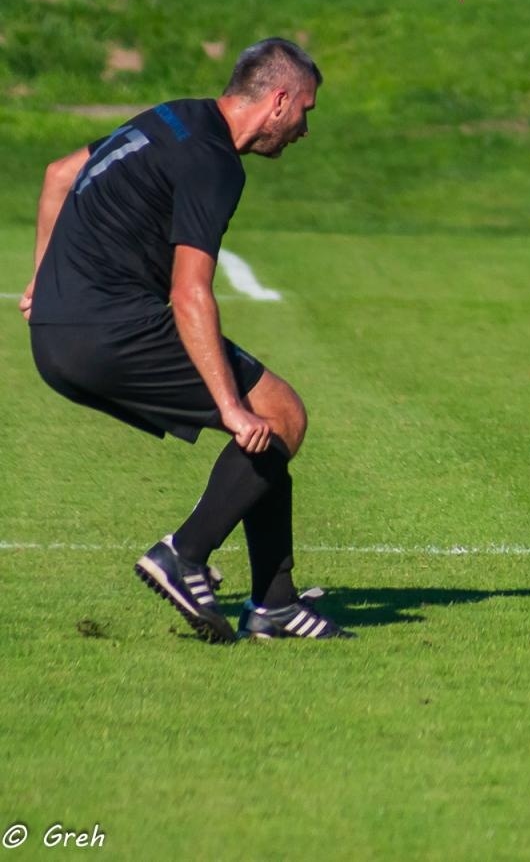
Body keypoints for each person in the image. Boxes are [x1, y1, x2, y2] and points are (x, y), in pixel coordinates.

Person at [22, 37, 351, 643]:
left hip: (56, 337)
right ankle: (184, 554)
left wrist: (43, 282)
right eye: (306, 109)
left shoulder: (175, 115)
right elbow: (190, 292)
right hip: (109, 330)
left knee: (270, 417)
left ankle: (275, 604)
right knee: (277, 415)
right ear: (278, 101)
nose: (305, 127)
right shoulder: (214, 161)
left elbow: (59, 174)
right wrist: (229, 404)